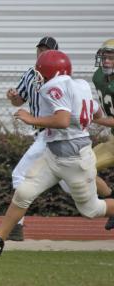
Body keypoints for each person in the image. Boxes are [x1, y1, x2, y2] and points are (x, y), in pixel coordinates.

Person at [0, 50, 114, 257]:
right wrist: (87, 121)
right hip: (53, 154)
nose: (39, 77)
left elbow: (63, 120)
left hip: (74, 159)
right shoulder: (80, 84)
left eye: (40, 72)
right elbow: (96, 111)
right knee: (24, 193)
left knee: (91, 209)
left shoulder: (52, 86)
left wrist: (31, 119)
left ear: (50, 71)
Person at [4, 36, 70, 241]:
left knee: (19, 176)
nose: (41, 53)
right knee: (72, 186)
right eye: (40, 50)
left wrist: (31, 118)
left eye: (46, 51)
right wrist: (13, 96)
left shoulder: (61, 78)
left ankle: (15, 227)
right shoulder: (31, 74)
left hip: (54, 135)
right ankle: (109, 205)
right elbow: (19, 100)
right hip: (44, 135)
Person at [91, 39, 114, 230]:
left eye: (111, 57)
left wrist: (94, 119)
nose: (106, 61)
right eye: (105, 56)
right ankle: (112, 202)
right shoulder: (99, 77)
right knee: (84, 166)